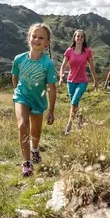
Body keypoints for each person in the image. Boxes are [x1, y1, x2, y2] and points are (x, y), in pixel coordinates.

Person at [12, 23, 57, 177]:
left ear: (47, 43)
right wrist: (18, 93)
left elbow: (52, 88)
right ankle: (27, 163)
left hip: (39, 101)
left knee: (35, 134)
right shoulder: (19, 59)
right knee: (22, 125)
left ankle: (35, 149)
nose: (37, 39)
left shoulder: (48, 64)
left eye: (41, 37)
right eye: (34, 36)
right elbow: (15, 78)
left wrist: (51, 111)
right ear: (29, 38)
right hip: (21, 97)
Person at [58, 29, 98, 135]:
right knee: (74, 103)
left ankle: (69, 125)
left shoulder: (87, 51)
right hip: (71, 81)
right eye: (78, 36)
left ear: (84, 39)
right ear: (74, 38)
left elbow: (92, 67)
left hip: (82, 81)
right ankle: (79, 116)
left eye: (82, 36)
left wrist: (95, 80)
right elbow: (63, 65)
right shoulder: (69, 51)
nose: (80, 38)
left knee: (74, 101)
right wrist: (61, 77)